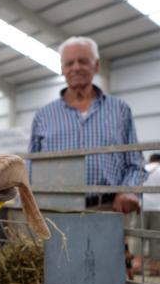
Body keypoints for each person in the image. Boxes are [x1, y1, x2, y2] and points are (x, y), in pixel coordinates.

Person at [28, 36, 147, 214]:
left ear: (96, 65)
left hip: (107, 209)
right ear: (62, 69)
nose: (76, 67)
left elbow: (135, 163)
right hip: (54, 211)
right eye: (69, 63)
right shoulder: (44, 115)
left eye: (83, 61)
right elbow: (31, 165)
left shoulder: (120, 110)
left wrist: (129, 190)